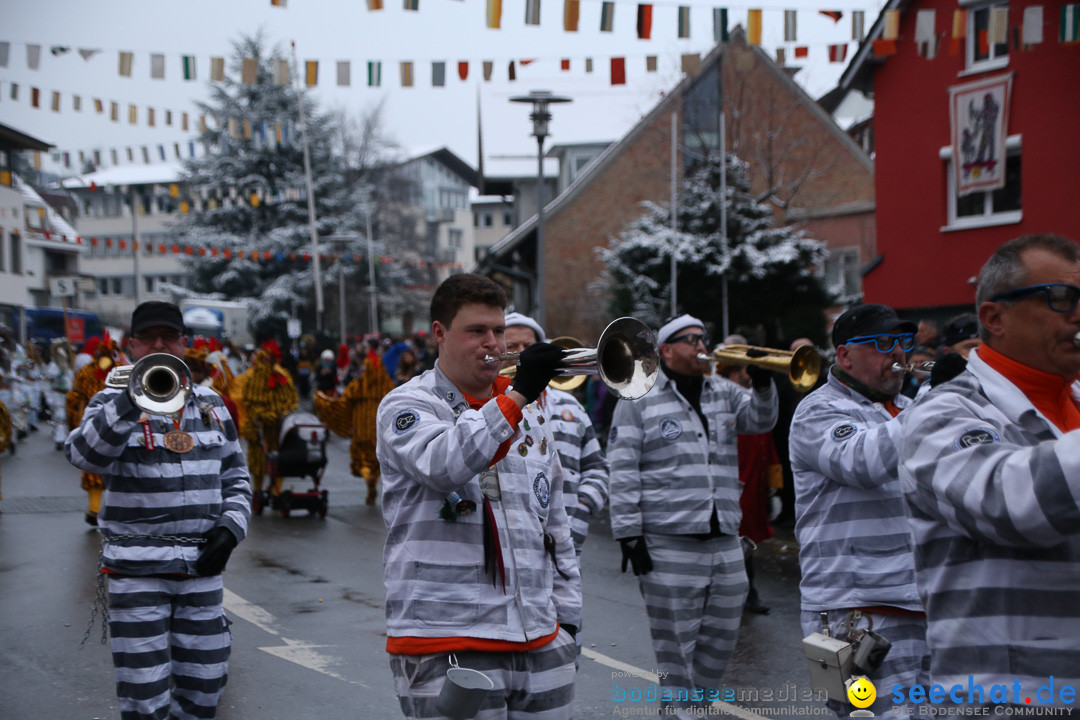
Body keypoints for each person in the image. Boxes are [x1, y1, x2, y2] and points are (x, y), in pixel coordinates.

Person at [376, 273, 580, 720]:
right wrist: (520, 393)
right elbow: (445, 464)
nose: (493, 344)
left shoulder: (526, 411)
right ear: (440, 334)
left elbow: (554, 521)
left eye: (498, 331)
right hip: (447, 642)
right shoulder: (406, 406)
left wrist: (567, 622)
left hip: (540, 640)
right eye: (476, 331)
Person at [898, 234, 1080, 707]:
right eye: (1062, 299)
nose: (1079, 314)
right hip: (1009, 699)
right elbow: (1008, 503)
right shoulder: (942, 414)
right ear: (994, 318)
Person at [64, 300, 251, 720]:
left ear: (184, 343)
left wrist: (231, 529)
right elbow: (83, 455)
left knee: (206, 687)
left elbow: (237, 478)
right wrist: (133, 400)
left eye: (169, 337)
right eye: (149, 338)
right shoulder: (108, 401)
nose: (159, 344)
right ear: (131, 345)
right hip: (136, 573)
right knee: (145, 697)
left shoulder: (211, 404)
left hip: (201, 570)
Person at [608, 314, 778, 716]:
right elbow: (622, 469)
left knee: (719, 645)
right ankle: (682, 712)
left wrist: (764, 383)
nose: (702, 346)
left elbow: (761, 419)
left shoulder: (723, 391)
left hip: (725, 542)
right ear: (665, 350)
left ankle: (692, 712)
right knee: (677, 653)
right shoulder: (639, 397)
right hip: (668, 544)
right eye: (690, 340)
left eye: (703, 338)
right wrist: (629, 534)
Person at [788, 303, 929, 717]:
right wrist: (938, 403)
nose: (899, 354)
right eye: (883, 343)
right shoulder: (818, 410)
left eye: (903, 342)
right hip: (855, 611)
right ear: (845, 355)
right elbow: (862, 462)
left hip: (921, 602)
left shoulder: (906, 409)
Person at [504, 312, 610, 557]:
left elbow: (596, 465)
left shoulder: (570, 406)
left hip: (570, 542)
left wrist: (583, 505)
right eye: (512, 346)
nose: (521, 353)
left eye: (528, 346)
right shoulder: (491, 406)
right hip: (515, 547)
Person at [716, 362, 782, 615]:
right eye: (746, 369)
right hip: (736, 486)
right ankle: (740, 592)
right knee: (735, 543)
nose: (750, 373)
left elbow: (768, 444)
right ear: (734, 371)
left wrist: (773, 488)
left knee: (749, 542)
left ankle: (746, 592)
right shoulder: (726, 402)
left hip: (755, 485)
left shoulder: (753, 402)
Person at [314, 341, 395, 505]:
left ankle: (368, 479)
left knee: (362, 460)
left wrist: (325, 402)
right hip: (380, 429)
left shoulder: (359, 384)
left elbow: (343, 402)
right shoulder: (387, 384)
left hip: (361, 428)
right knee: (378, 460)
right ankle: (374, 479)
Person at [66, 334, 127, 525]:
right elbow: (75, 397)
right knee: (98, 465)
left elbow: (74, 398)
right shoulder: (90, 372)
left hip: (116, 423)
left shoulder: (125, 374)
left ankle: (99, 508)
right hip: (97, 422)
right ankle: (95, 508)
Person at [239, 340, 299, 503]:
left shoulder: (283, 376)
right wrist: (259, 414)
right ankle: (258, 489)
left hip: (278, 426)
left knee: (280, 458)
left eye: (268, 359)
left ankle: (276, 489)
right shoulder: (254, 377)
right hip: (260, 426)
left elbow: (291, 400)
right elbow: (249, 400)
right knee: (259, 460)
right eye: (263, 359)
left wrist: (283, 414)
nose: (266, 363)